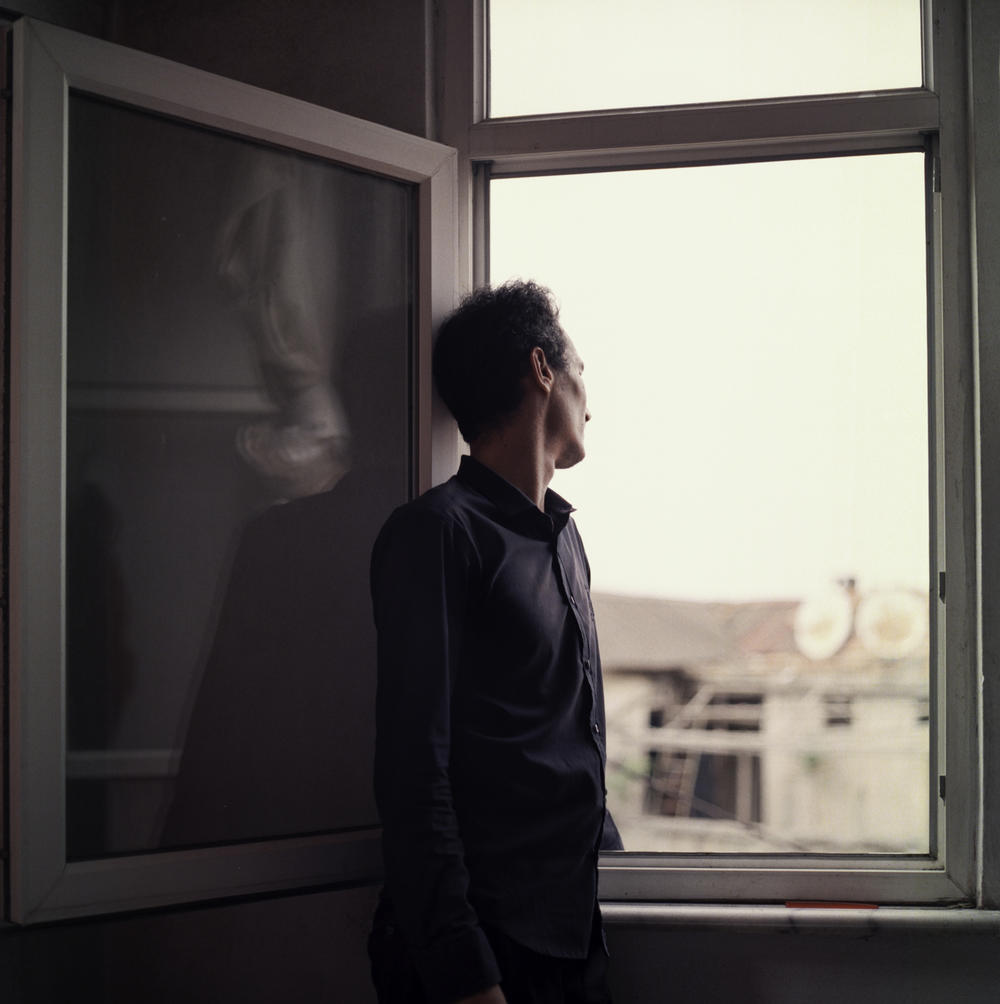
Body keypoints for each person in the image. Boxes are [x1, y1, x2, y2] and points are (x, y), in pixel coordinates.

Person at [369, 280, 622, 1004]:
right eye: (581, 372)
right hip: (481, 957)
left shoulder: (565, 541)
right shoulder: (439, 533)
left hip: (570, 943)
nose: (590, 398)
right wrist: (463, 969)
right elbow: (413, 770)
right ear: (542, 369)